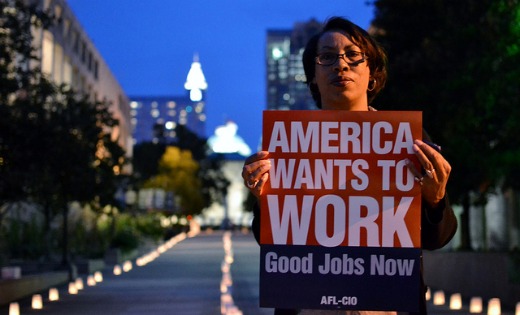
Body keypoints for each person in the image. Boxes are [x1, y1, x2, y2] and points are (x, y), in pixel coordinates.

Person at [241, 17, 458, 315]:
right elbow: (267, 240)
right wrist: (264, 199)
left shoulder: (408, 141)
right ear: (313, 77)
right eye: (327, 57)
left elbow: (438, 238)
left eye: (353, 56)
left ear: (372, 74)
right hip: (308, 303)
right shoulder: (288, 145)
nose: (340, 65)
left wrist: (435, 199)